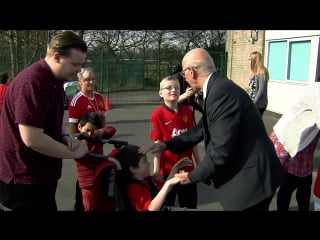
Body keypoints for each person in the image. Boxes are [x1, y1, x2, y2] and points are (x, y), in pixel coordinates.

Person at [139, 48, 287, 211]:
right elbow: (202, 128)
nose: (184, 80)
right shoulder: (218, 87)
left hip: (252, 182)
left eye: (183, 75)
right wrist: (167, 145)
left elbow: (221, 149)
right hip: (251, 176)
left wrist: (192, 176)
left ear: (190, 72)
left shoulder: (220, 93)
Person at [0, 31, 89, 211]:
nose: (79, 70)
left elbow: (48, 123)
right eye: (75, 64)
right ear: (57, 57)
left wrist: (65, 136)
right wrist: (75, 153)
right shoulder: (32, 83)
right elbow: (32, 138)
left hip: (40, 178)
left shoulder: (54, 81)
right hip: (24, 181)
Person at [150, 75, 200, 209]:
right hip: (168, 171)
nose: (173, 90)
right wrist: (156, 170)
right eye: (169, 88)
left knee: (189, 206)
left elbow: (193, 141)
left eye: (177, 87)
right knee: (167, 206)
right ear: (161, 93)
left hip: (188, 171)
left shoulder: (188, 112)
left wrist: (199, 164)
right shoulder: (157, 115)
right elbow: (157, 143)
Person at [269, 82, 320, 211]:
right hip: (288, 140)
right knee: (279, 183)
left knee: (303, 184)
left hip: (305, 145)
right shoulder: (317, 90)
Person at [68, 67, 109, 211]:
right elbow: (73, 129)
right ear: (80, 82)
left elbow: (103, 121)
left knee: (97, 178)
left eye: (92, 79)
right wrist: (80, 144)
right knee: (85, 181)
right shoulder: (76, 101)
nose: (90, 82)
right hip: (85, 149)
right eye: (87, 80)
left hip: (98, 145)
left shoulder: (99, 97)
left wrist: (102, 132)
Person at [114, 144, 193, 211]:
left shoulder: (148, 179)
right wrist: (168, 184)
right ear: (133, 168)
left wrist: (175, 169)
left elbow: (164, 190)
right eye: (144, 161)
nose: (149, 164)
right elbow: (151, 208)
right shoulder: (133, 188)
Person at [75, 112, 116, 211]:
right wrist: (78, 140)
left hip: (101, 179)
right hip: (88, 185)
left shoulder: (96, 137)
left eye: (93, 131)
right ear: (79, 127)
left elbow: (112, 129)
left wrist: (101, 132)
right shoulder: (77, 141)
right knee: (89, 207)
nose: (89, 134)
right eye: (87, 130)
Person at [247, 51, 269, 116]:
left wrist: (254, 103)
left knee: (254, 124)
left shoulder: (262, 72)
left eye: (250, 59)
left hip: (259, 104)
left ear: (254, 60)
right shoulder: (254, 71)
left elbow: (261, 90)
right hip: (251, 102)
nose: (250, 61)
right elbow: (251, 88)